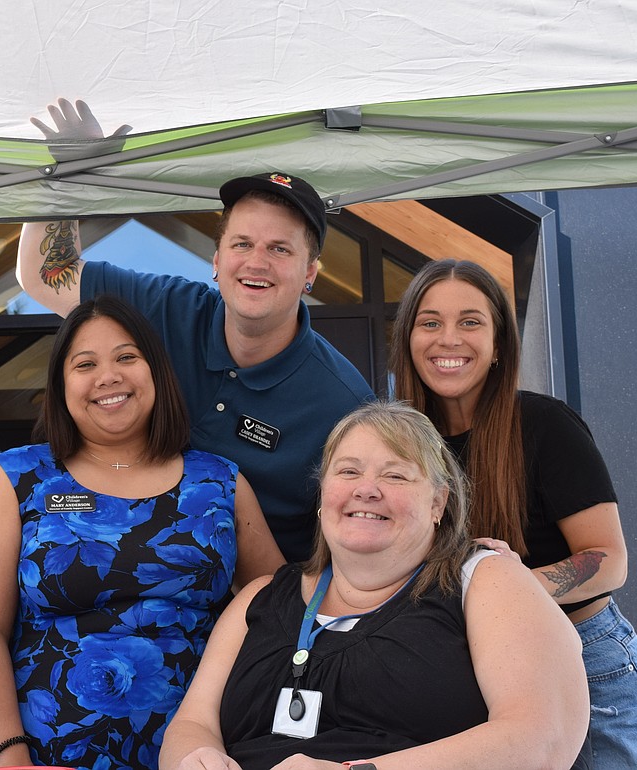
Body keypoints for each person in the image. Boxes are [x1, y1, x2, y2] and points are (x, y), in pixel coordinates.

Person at [18, 100, 373, 562]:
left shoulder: (345, 402)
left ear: (311, 273)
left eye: (280, 249)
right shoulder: (168, 307)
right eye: (241, 244)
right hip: (124, 573)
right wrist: (69, 176)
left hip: (260, 609)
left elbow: (362, 534)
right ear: (217, 260)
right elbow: (46, 274)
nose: (256, 262)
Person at [159, 400, 590, 770]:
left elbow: (544, 738)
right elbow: (192, 724)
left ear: (438, 503)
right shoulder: (261, 597)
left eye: (395, 476)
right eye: (348, 471)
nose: (366, 490)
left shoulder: (484, 579)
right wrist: (199, 756)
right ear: (323, 491)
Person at [0, 295, 285, 770]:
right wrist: (10, 756)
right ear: (62, 385)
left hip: (204, 755)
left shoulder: (219, 481)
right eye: (85, 364)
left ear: (156, 372)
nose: (107, 376)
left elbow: (279, 608)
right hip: (52, 754)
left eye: (127, 357)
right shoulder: (18, 477)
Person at [390, 258, 637, 768]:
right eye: (430, 322)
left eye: (470, 322)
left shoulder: (545, 425)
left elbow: (608, 559)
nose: (448, 339)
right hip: (469, 669)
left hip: (586, 659)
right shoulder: (400, 445)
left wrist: (512, 587)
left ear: (500, 343)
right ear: (408, 338)